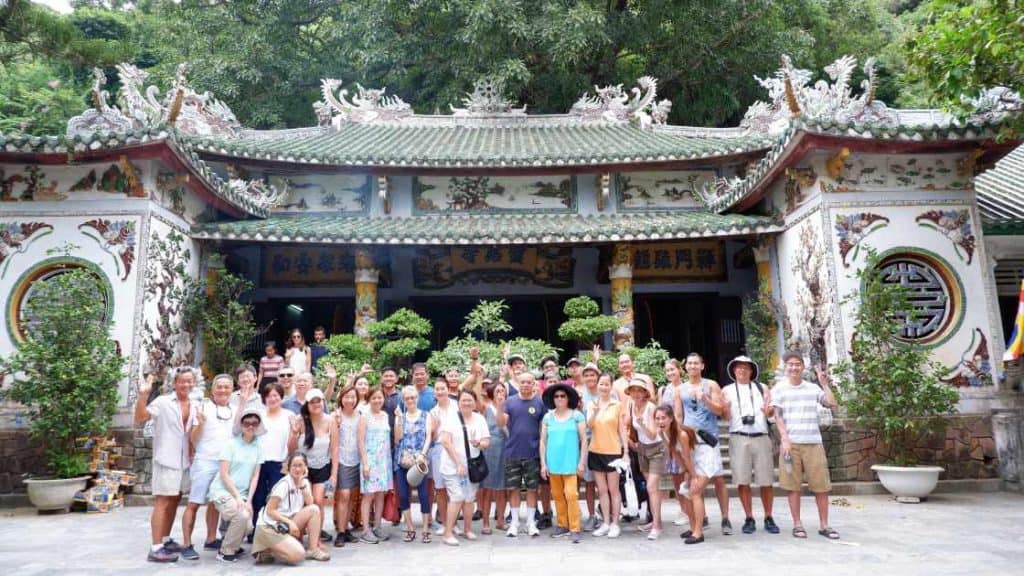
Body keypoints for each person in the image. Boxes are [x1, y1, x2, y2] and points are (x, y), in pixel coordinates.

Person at [771, 351, 840, 540]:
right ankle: (797, 524)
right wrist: (784, 438)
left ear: (803, 367)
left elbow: (831, 403)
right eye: (790, 364)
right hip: (791, 445)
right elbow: (777, 415)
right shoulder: (779, 388)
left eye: (797, 364)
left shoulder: (812, 388)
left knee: (821, 486)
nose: (794, 367)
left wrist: (824, 383)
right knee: (793, 486)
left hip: (813, 443)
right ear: (785, 368)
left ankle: (824, 525)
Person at [135, 368, 196, 562]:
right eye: (182, 381)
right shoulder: (163, 402)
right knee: (162, 502)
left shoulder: (195, 404)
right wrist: (143, 395)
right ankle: (155, 547)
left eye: (189, 381)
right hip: (166, 458)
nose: (186, 385)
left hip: (184, 460)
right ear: (174, 383)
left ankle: (166, 539)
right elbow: (141, 417)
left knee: (175, 500)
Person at [673, 353, 732, 536]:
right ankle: (699, 522)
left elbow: (720, 410)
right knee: (693, 481)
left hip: (709, 439)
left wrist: (705, 398)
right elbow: (678, 415)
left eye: (696, 363)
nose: (692, 366)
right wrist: (678, 436)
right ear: (685, 367)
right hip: (689, 440)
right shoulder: (680, 389)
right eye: (689, 363)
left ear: (702, 366)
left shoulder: (711, 385)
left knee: (717, 480)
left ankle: (725, 517)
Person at [180, 374, 235, 560]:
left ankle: (211, 539)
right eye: (219, 386)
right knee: (194, 503)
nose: (223, 390)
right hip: (205, 461)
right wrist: (200, 423)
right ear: (212, 389)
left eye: (227, 387)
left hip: (224, 464)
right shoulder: (202, 408)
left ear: (232, 390)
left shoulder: (234, 410)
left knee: (215, 502)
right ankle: (186, 544)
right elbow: (193, 439)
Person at [723, 355, 780, 535]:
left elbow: (770, 412)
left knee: (766, 480)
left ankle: (769, 516)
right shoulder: (726, 390)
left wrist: (768, 411)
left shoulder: (761, 387)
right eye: (739, 367)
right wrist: (724, 408)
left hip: (761, 435)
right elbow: (725, 416)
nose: (742, 370)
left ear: (751, 371)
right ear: (733, 370)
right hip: (738, 436)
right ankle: (749, 517)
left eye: (746, 368)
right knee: (742, 480)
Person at [207, 406, 264, 562]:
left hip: (243, 494)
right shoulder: (231, 444)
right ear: (241, 425)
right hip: (223, 491)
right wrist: (238, 498)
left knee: (249, 526)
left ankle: (230, 542)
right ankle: (226, 551)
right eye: (246, 423)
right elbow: (224, 474)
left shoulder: (259, 446)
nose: (250, 426)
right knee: (242, 515)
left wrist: (249, 501)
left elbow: (255, 476)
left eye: (254, 423)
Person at [252, 453, 329, 564]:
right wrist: (290, 523)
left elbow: (311, 504)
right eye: (294, 466)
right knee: (298, 556)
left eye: (300, 465)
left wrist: (302, 485)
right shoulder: (284, 484)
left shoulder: (304, 483)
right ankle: (266, 548)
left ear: (305, 467)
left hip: (283, 524)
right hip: (269, 526)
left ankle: (313, 550)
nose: (297, 469)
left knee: (314, 510)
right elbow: (270, 510)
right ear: (288, 468)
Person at [497, 371, 546, 537]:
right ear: (518, 383)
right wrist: (499, 405)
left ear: (534, 384)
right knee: (514, 489)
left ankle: (531, 522)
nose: (525, 385)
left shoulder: (540, 403)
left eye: (529, 382)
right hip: (513, 452)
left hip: (532, 453)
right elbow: (501, 423)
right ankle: (515, 522)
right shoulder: (510, 402)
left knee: (533, 489)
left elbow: (543, 430)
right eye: (522, 382)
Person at [439, 388, 491, 546]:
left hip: (472, 466)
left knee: (469, 499)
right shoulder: (451, 418)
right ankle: (448, 533)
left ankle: (468, 529)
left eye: (470, 400)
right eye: (464, 400)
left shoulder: (479, 419)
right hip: (452, 466)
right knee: (457, 497)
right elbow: (445, 441)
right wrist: (458, 463)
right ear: (459, 403)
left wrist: (479, 443)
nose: (467, 403)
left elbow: (486, 442)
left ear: (475, 402)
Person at [540, 382, 588, 544]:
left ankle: (575, 528)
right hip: (553, 464)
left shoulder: (577, 416)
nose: (559, 398)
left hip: (571, 464)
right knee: (558, 496)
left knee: (571, 495)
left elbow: (584, 440)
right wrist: (543, 464)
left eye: (562, 396)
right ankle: (562, 524)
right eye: (556, 396)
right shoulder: (548, 417)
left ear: (568, 398)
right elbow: (543, 442)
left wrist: (582, 462)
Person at [288, 388, 337, 542]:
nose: (316, 404)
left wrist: (334, 474)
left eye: (319, 401)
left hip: (322, 466)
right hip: (303, 469)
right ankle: (299, 533)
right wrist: (295, 433)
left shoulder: (330, 420)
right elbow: (290, 448)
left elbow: (335, 449)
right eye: (312, 402)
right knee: (303, 501)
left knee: (318, 501)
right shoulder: (300, 420)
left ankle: (316, 538)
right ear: (307, 404)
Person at [586, 371, 628, 539]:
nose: (603, 387)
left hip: (613, 452)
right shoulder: (592, 404)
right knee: (602, 490)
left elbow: (622, 429)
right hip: (595, 450)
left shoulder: (617, 405)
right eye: (601, 384)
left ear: (611, 386)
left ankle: (615, 523)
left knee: (614, 490)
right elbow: (589, 425)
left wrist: (626, 452)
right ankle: (605, 522)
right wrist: (595, 411)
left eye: (606, 384)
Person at [251, 383, 294, 539]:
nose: (272, 398)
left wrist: (287, 460)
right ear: (264, 398)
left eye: (276, 395)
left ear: (281, 397)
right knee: (258, 497)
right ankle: (257, 530)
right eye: (269, 396)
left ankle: (275, 530)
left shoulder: (289, 416)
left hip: (279, 463)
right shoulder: (259, 415)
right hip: (259, 463)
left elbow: (291, 443)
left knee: (276, 498)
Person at [627, 378, 666, 540]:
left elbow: (652, 433)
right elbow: (626, 426)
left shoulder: (651, 408)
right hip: (642, 449)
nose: (636, 393)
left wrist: (642, 424)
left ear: (645, 392)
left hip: (657, 449)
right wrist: (631, 443)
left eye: (639, 390)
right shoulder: (631, 406)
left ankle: (656, 526)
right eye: (633, 390)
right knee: (651, 489)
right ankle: (656, 521)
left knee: (651, 487)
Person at [659, 359, 695, 528]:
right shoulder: (664, 390)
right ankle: (683, 509)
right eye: (667, 371)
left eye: (672, 369)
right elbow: (660, 414)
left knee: (689, 473)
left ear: (680, 370)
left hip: (684, 435)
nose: (670, 373)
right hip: (669, 437)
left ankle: (694, 509)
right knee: (677, 476)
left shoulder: (687, 388)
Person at [394, 385, 432, 543]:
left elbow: (429, 436)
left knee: (424, 495)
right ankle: (410, 527)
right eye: (407, 398)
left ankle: (424, 528)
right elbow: (397, 439)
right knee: (403, 494)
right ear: (403, 400)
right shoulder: (400, 416)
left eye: (413, 397)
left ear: (417, 398)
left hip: (419, 460)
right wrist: (398, 420)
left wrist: (423, 454)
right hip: (403, 460)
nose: (410, 400)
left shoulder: (426, 415)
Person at [654, 405, 698, 535]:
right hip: (688, 463)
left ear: (671, 418)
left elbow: (687, 457)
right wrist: (684, 470)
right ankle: (692, 527)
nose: (660, 421)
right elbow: (674, 452)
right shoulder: (662, 433)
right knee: (686, 493)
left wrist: (693, 476)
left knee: (692, 493)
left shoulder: (682, 434)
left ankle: (697, 531)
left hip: (699, 460)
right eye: (657, 418)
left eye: (663, 418)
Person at [358, 387, 393, 543]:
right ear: (369, 399)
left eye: (380, 398)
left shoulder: (385, 416)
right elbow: (360, 441)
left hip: (384, 461)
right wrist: (365, 463)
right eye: (374, 398)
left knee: (380, 494)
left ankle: (378, 526)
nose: (377, 400)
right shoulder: (364, 417)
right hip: (370, 461)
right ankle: (366, 529)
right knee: (368, 495)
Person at [427, 378, 458, 535]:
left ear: (448, 389)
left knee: (455, 488)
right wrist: (436, 427)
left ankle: (454, 523)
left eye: (442, 388)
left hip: (456, 449)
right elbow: (432, 438)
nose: (440, 391)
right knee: (440, 489)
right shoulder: (433, 412)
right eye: (437, 389)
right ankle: (446, 523)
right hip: (439, 451)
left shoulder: (457, 406)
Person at [332, 385, 361, 547]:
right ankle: (341, 532)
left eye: (353, 397)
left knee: (351, 496)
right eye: (347, 396)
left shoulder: (360, 416)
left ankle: (346, 527)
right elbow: (334, 443)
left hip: (357, 460)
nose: (350, 400)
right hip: (342, 459)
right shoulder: (336, 416)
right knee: (344, 494)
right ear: (341, 398)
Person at [478, 379, 508, 535]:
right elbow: (475, 395)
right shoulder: (486, 408)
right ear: (491, 393)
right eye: (497, 391)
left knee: (502, 488)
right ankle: (485, 522)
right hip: (489, 450)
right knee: (488, 488)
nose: (500, 393)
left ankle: (501, 520)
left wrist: (502, 406)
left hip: (505, 449)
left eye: (503, 391)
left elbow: (504, 425)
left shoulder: (507, 409)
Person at [575, 360, 601, 531]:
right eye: (587, 375)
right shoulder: (580, 396)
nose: (590, 377)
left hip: (606, 442)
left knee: (606, 482)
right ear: (582, 378)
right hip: (588, 442)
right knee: (590, 482)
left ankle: (608, 514)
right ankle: (592, 515)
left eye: (593, 374)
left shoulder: (607, 392)